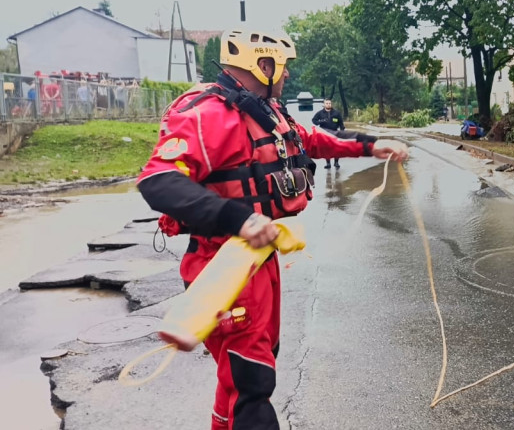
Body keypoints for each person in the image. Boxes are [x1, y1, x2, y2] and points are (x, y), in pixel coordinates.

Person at [136, 28, 409, 430]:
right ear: (263, 65)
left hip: (257, 260)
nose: (286, 77)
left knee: (240, 376)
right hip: (221, 265)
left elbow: (312, 140)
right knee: (252, 381)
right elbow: (157, 180)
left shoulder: (264, 111)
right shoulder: (209, 115)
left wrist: (370, 146)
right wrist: (240, 219)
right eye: (283, 68)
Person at [312, 99, 344, 169]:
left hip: (334, 132)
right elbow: (314, 120)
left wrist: (342, 131)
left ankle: (336, 162)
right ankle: (328, 164)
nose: (328, 104)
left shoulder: (336, 113)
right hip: (325, 133)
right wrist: (320, 122)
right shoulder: (320, 113)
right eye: (327, 103)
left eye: (329, 103)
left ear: (331, 104)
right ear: (324, 104)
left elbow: (341, 123)